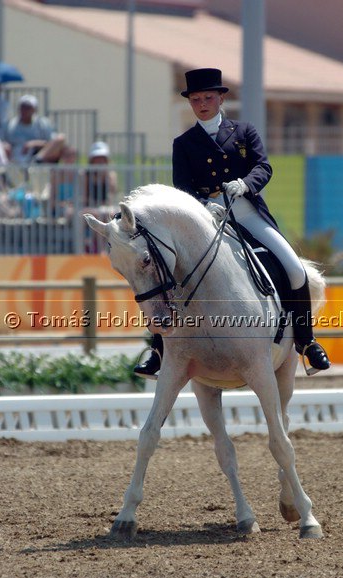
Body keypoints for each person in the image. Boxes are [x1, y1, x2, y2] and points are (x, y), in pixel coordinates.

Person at [135, 67, 330, 378]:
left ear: (221, 98)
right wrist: (202, 207)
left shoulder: (244, 132)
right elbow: (182, 187)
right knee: (168, 277)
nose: (202, 103)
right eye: (195, 99)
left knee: (294, 268)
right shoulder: (184, 144)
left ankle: (306, 343)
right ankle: (157, 350)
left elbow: (263, 166)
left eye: (208, 97)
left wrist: (246, 184)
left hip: (246, 211)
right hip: (205, 219)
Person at [3, 94, 65, 166]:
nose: (25, 110)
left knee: (61, 138)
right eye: (23, 107)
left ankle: (37, 161)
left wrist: (34, 143)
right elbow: (4, 142)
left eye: (28, 107)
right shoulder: (11, 125)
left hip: (38, 156)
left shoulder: (42, 123)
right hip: (16, 158)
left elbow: (51, 142)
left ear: (35, 109)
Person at [84, 140, 117, 207]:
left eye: (102, 158)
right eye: (97, 158)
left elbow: (112, 195)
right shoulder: (85, 175)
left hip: (106, 208)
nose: (100, 161)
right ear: (92, 160)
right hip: (89, 208)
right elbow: (84, 196)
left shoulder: (111, 175)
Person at [49, 144, 79, 218]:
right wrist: (62, 204)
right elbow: (52, 198)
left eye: (73, 155)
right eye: (67, 155)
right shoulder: (56, 175)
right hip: (59, 208)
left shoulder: (80, 174)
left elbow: (82, 197)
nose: (70, 158)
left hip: (76, 207)